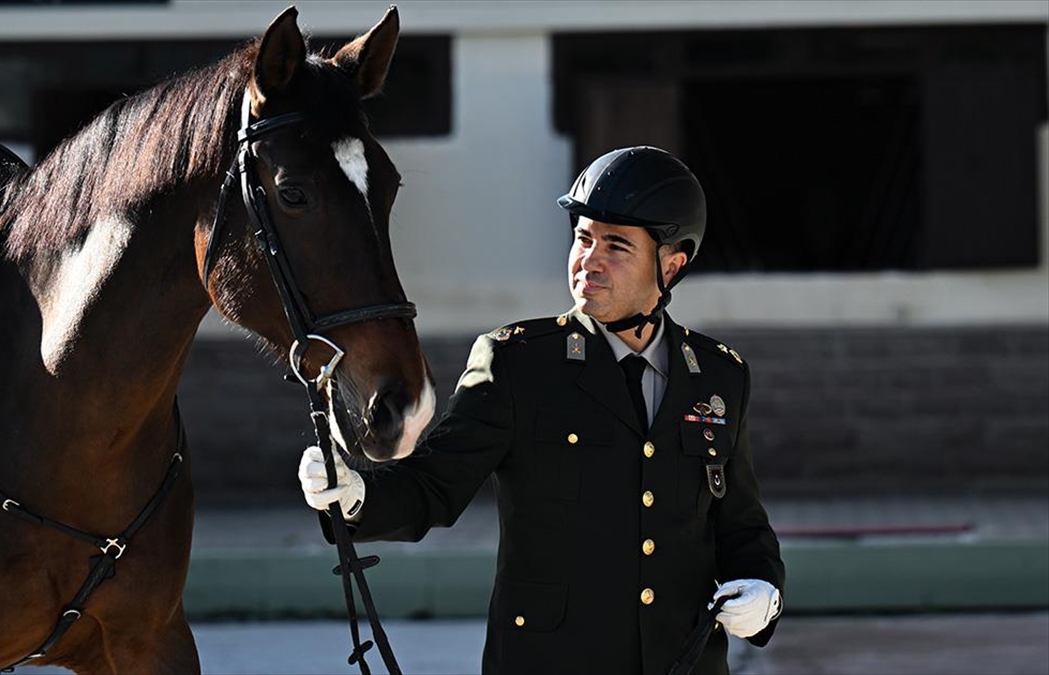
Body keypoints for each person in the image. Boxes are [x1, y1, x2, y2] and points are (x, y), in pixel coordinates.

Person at [299, 146, 785, 674]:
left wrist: (764, 591)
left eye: (617, 246)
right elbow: (435, 487)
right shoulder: (517, 364)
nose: (588, 261)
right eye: (582, 238)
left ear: (672, 265)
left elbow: (740, 524)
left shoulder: (717, 376)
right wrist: (356, 495)